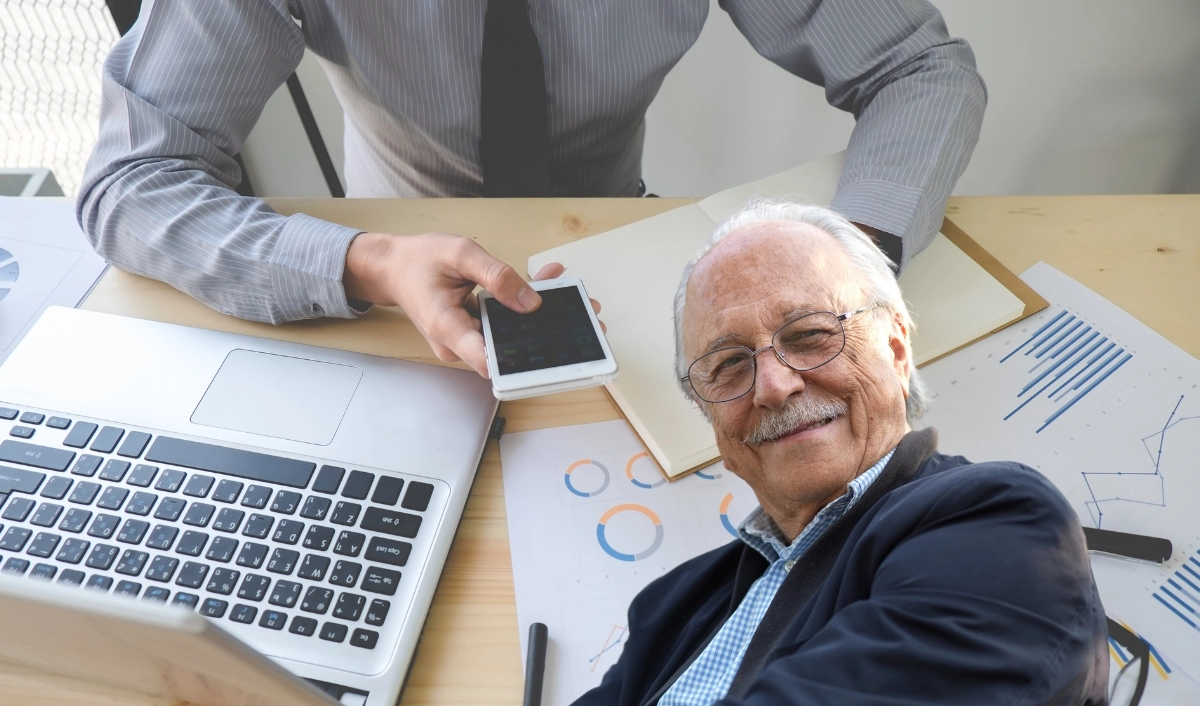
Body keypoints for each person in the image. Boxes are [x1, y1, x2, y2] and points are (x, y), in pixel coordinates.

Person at [369, 200, 1108, 706]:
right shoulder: (680, 604)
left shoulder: (999, 522)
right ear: (712, 417)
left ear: (897, 345)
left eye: (811, 334)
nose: (776, 383)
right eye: (728, 365)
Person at [78, 0, 985, 377]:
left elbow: (917, 67)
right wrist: (365, 261)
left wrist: (856, 257)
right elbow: (129, 180)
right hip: (384, 283)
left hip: (619, 245)